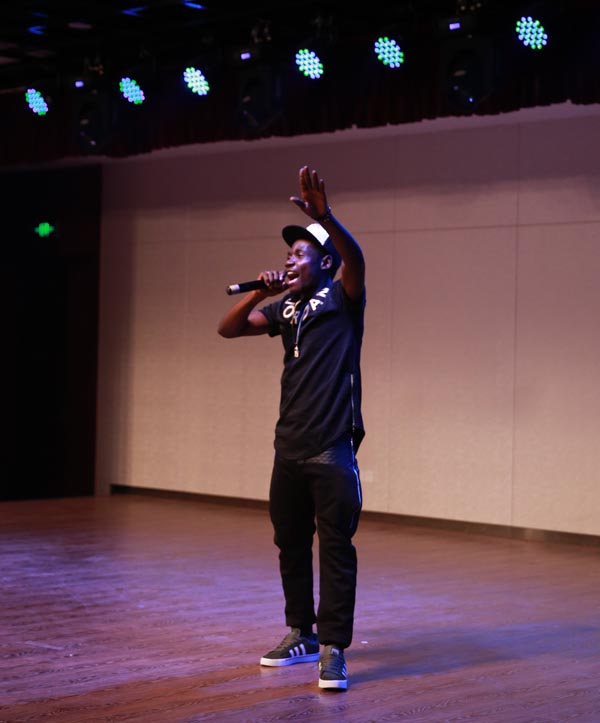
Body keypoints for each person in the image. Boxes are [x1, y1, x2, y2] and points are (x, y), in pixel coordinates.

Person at [217, 165, 366, 690]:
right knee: (290, 544)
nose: (289, 259)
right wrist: (259, 292)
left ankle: (333, 649)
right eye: (288, 254)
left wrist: (326, 217)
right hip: (289, 449)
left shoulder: (342, 299)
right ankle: (301, 633)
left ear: (323, 262)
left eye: (299, 253)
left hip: (331, 448)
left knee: (336, 548)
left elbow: (356, 261)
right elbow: (228, 328)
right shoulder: (286, 308)